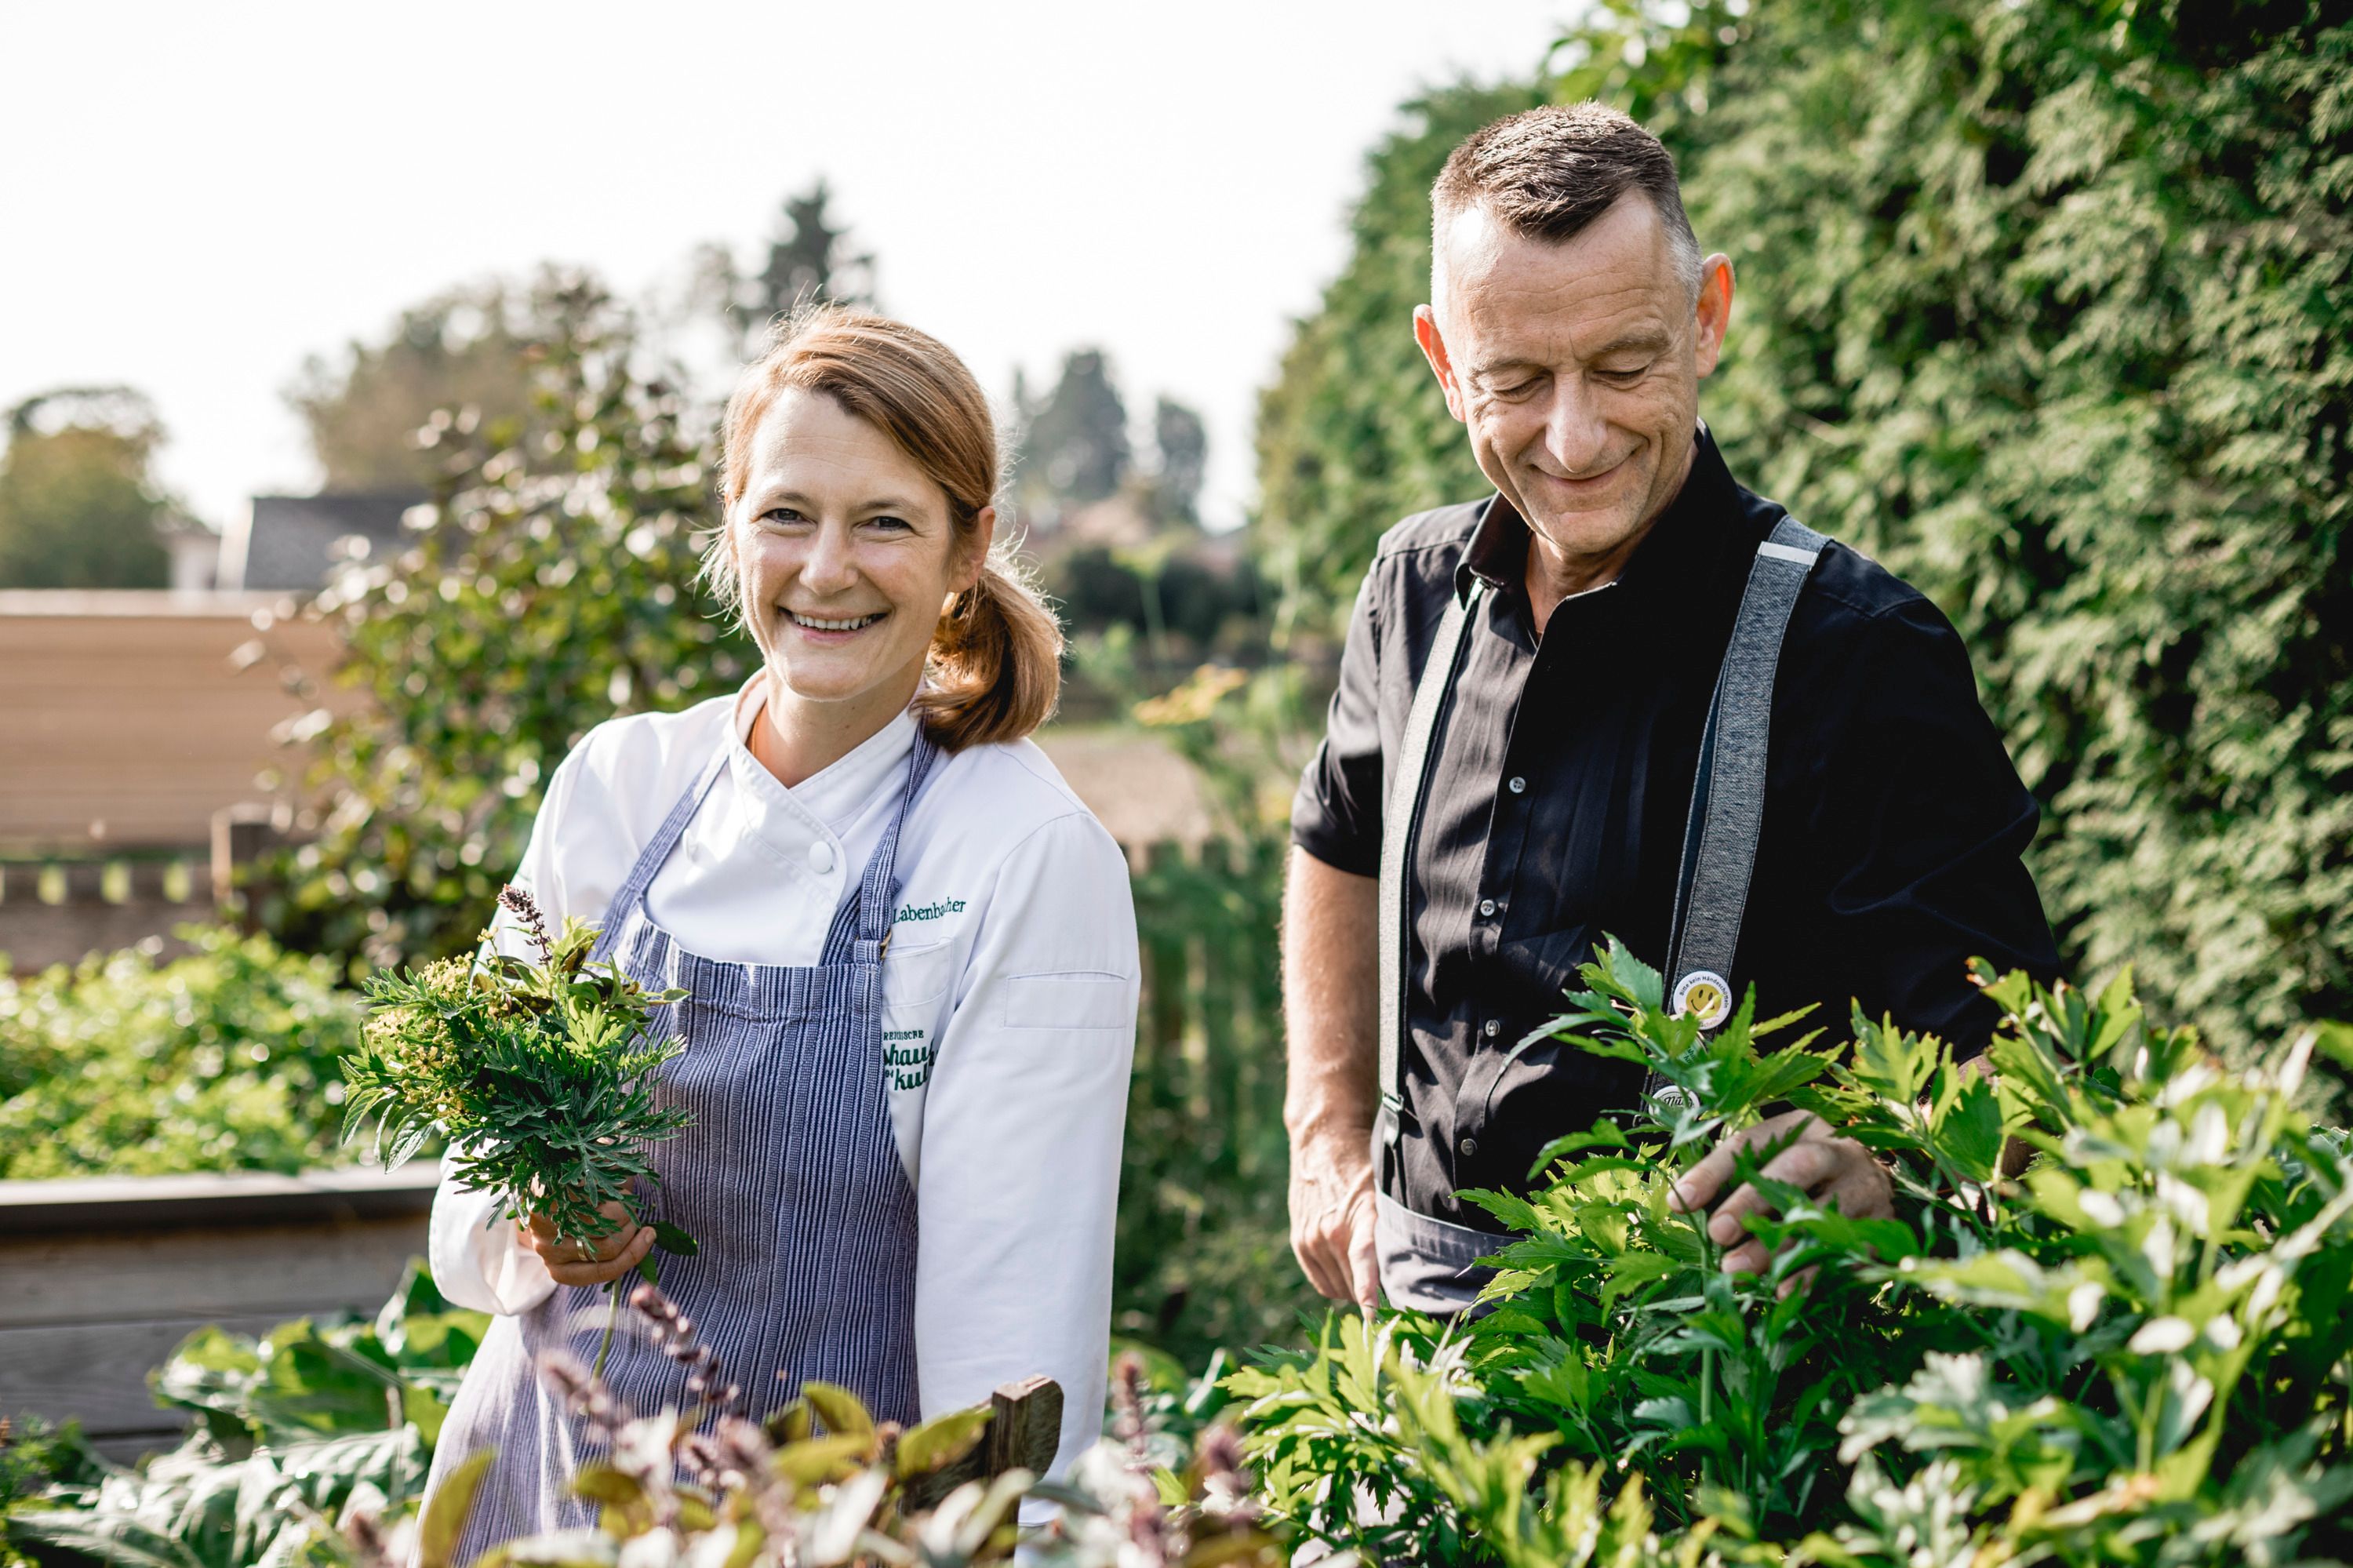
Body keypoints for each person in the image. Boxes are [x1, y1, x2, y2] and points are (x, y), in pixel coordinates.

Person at [1282, 103, 2060, 1315]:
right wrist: (1325, 1131)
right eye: (1517, 381)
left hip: (1710, 1394)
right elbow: (1337, 841)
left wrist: (1880, 1173)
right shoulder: (1411, 591)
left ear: (1708, 318)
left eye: (1626, 365)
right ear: (1444, 363)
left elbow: (2012, 1070)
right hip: (1413, 1370)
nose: (1575, 437)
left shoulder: (1860, 655)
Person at [420, 306, 1140, 1554]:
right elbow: (468, 1193)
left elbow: (1010, 1339)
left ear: (969, 547)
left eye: (885, 523)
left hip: (812, 1531)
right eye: (787, 515)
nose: (825, 569)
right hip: (534, 1495)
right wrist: (532, 1218)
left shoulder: (1020, 854)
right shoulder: (621, 785)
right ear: (734, 524)